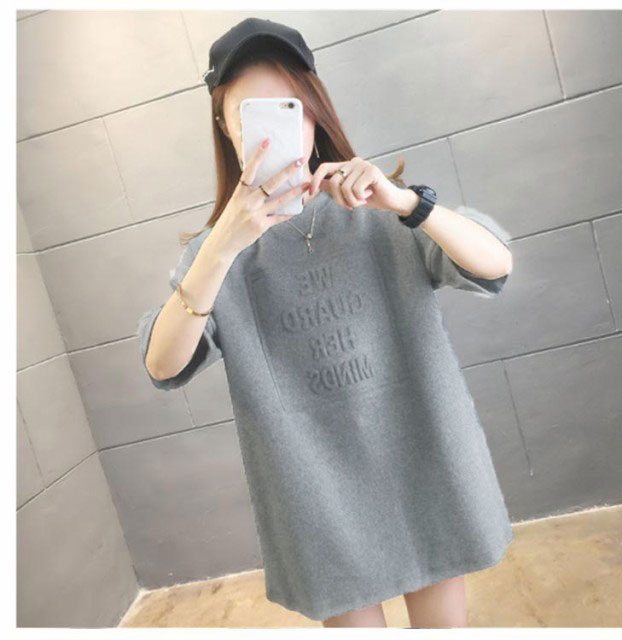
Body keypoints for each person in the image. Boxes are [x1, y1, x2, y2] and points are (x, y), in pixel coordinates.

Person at [136, 17, 514, 628]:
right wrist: (220, 248)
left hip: (427, 461)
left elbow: (496, 264)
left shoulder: (381, 208)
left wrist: (405, 202)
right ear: (226, 127)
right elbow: (162, 365)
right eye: (250, 113)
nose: (276, 127)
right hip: (317, 496)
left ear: (313, 113)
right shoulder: (217, 256)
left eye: (291, 106)